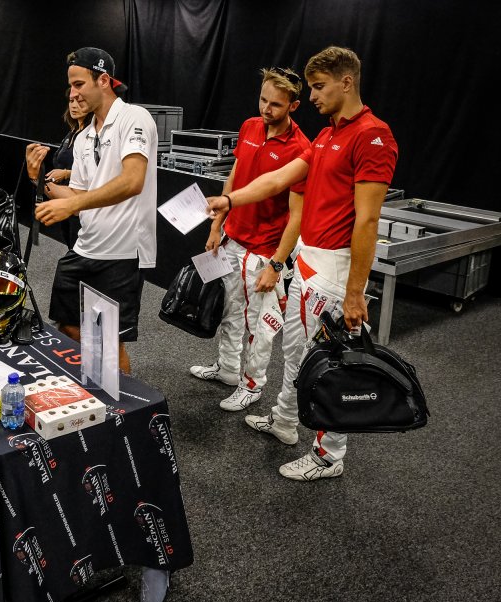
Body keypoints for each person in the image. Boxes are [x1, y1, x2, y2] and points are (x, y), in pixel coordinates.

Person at [205, 46, 398, 481]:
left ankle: (330, 455)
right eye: (311, 87)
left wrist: (354, 292)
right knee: (295, 353)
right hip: (307, 260)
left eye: (319, 86)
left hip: (334, 269)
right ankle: (285, 421)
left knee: (328, 363)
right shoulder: (328, 136)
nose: (312, 96)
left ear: (346, 82)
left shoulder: (373, 136)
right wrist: (229, 201)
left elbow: (368, 220)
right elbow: (276, 179)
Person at [27, 47, 157, 373]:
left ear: (103, 80)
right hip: (85, 247)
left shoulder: (134, 117)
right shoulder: (84, 136)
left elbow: (133, 181)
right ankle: (89, 389)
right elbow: (79, 194)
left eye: (79, 84)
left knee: (108, 342)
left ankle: (121, 402)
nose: (73, 94)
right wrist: (38, 179)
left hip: (122, 252)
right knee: (68, 327)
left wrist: (72, 204)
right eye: (70, 86)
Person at [190, 67, 310, 412]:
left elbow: (297, 217)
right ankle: (228, 368)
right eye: (262, 100)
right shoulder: (249, 126)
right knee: (229, 310)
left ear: (294, 105)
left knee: (260, 325)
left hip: (264, 250)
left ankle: (252, 385)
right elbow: (234, 177)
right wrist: (217, 226)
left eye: (276, 104)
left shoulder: (301, 148)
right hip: (233, 238)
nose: (266, 109)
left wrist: (276, 264)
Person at [46, 90, 93, 249]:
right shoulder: (72, 132)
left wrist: (66, 173)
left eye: (79, 102)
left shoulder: (93, 134)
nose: (74, 106)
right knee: (69, 242)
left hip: (81, 201)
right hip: (63, 199)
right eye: (71, 101)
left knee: (78, 248)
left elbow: (96, 171)